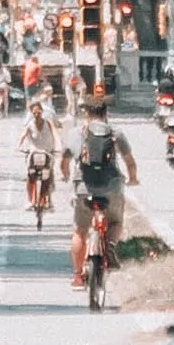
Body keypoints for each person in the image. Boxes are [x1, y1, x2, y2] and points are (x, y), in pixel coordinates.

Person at [65, 96, 139, 287]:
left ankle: (77, 276)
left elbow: (64, 161)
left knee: (80, 231)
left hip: (84, 188)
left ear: (86, 113)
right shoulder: (115, 134)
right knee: (116, 222)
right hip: (111, 188)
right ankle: (111, 246)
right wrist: (132, 179)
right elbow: (130, 162)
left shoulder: (76, 133)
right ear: (106, 114)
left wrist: (65, 175)